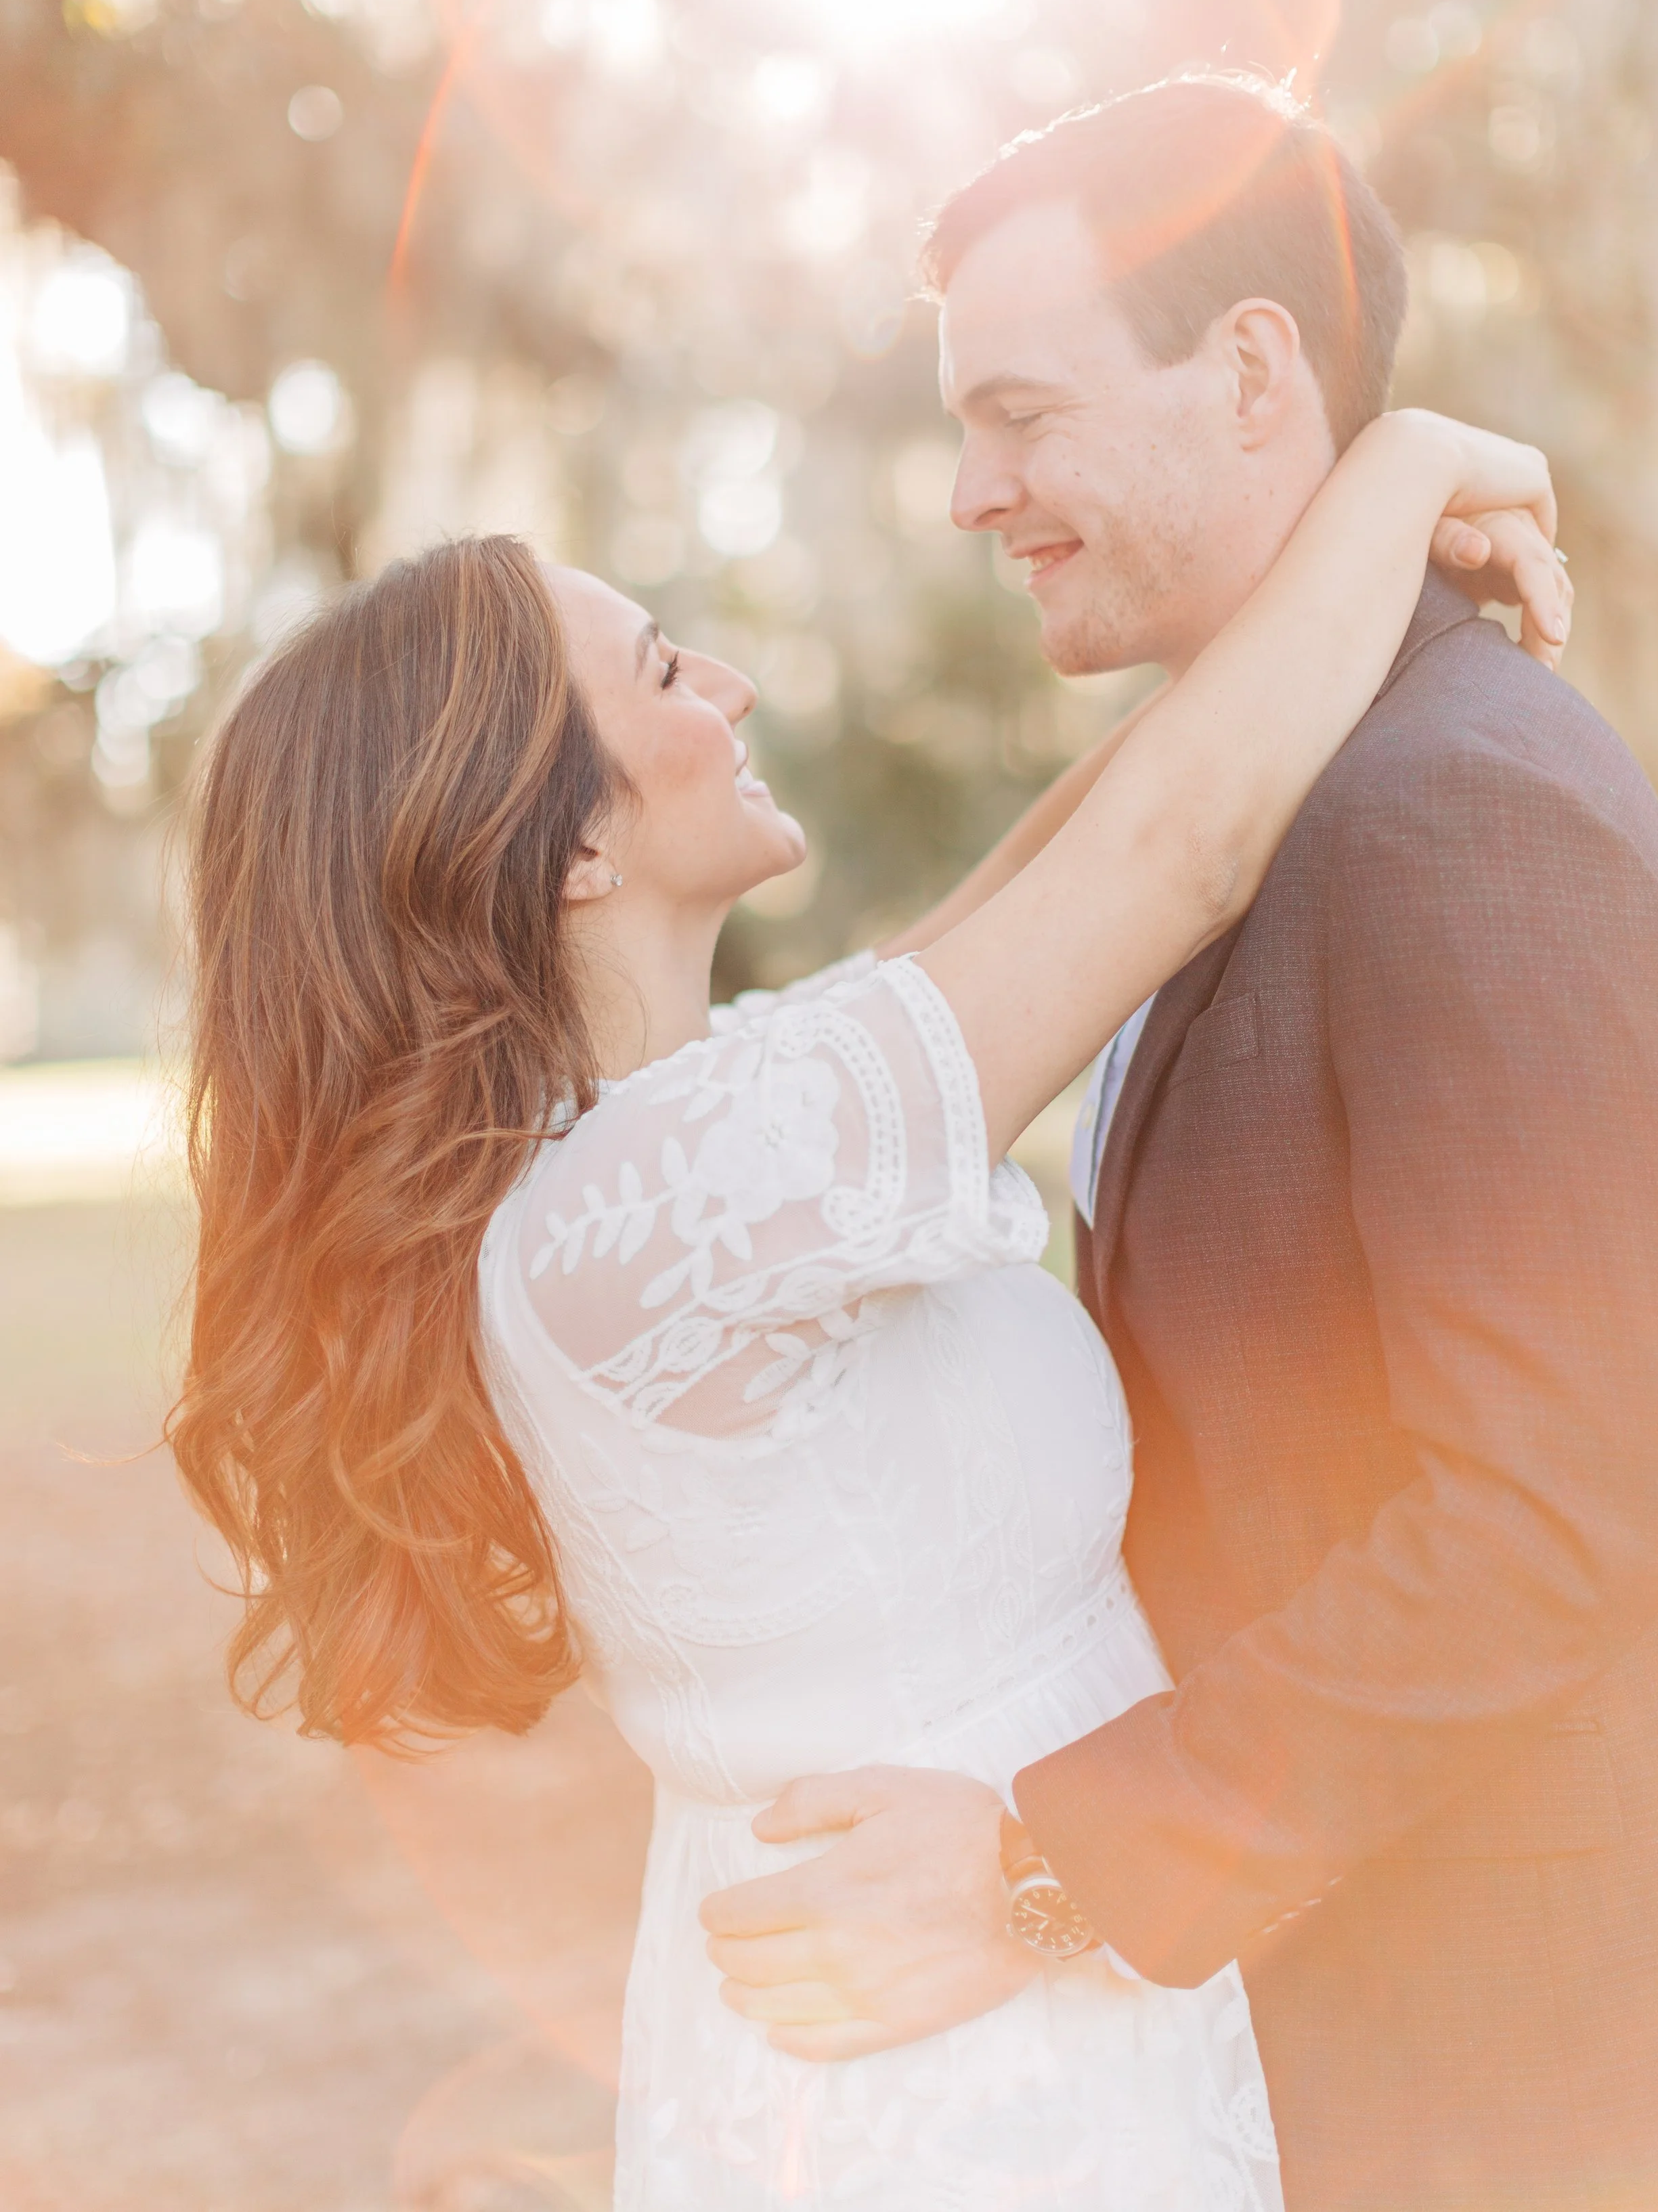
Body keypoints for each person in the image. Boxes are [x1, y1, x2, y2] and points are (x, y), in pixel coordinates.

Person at [170, 361, 1561, 2206]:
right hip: (961, 2086)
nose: (730, 685)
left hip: (975, 2001)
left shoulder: (682, 1138)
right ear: (573, 843)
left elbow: (1042, 874)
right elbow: (1179, 852)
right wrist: (1407, 466)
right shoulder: (673, 1194)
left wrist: (1301, 587)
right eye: (666, 671)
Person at [701, 78, 1658, 2212]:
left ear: (1252, 370)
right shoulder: (1242, 797)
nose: (973, 489)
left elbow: (1568, 1499)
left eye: (1024, 413)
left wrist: (1049, 1869)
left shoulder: (1458, 798)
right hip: (1295, 2040)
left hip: (1496, 2077)